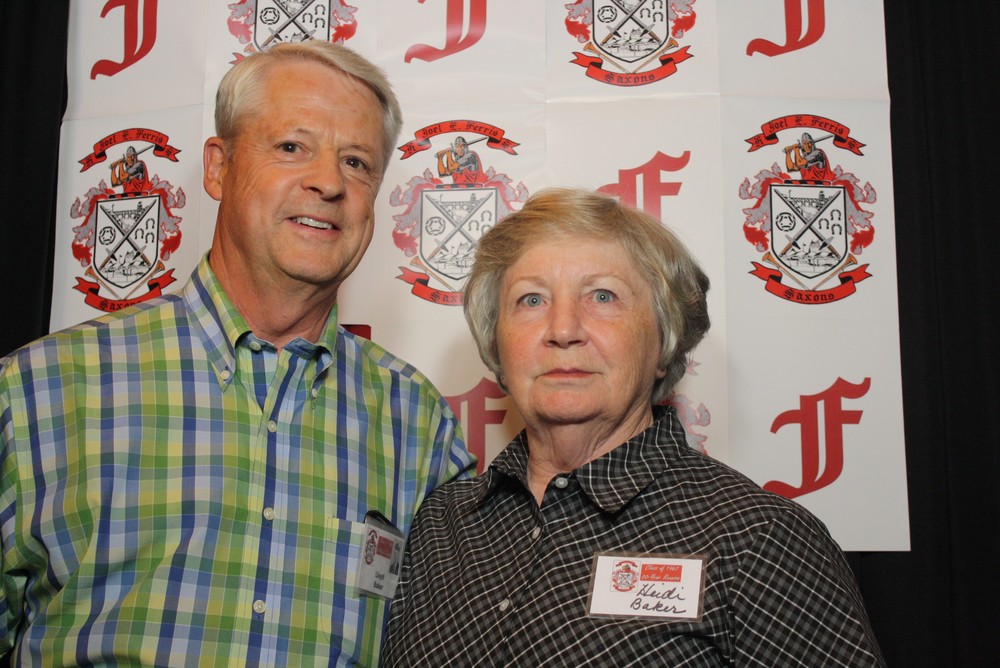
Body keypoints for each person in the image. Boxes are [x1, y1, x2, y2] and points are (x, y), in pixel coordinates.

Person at [0, 41, 473, 666]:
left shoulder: (419, 423)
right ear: (218, 168)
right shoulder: (40, 389)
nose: (329, 182)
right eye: (292, 146)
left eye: (356, 162)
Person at [382, 188, 885, 666]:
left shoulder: (757, 538)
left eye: (603, 296)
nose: (563, 330)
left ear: (665, 341)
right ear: (496, 345)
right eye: (531, 300)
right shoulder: (442, 525)